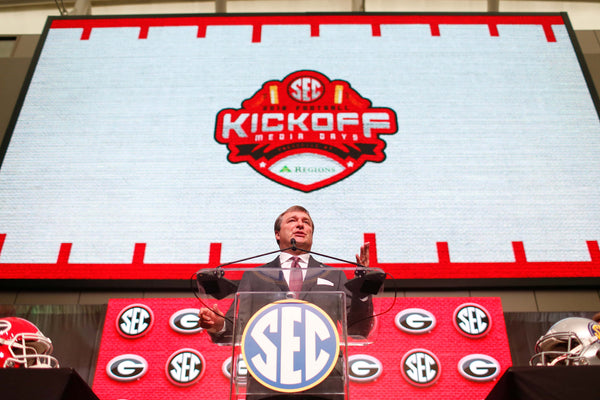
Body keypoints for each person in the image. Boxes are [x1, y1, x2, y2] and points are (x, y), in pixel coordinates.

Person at [199, 205, 374, 399]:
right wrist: (219, 324)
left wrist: (363, 287)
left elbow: (359, 330)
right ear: (277, 234)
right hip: (267, 383)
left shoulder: (334, 275)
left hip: (325, 383)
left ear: (311, 234)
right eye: (292, 220)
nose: (300, 224)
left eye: (306, 222)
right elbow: (236, 328)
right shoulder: (256, 276)